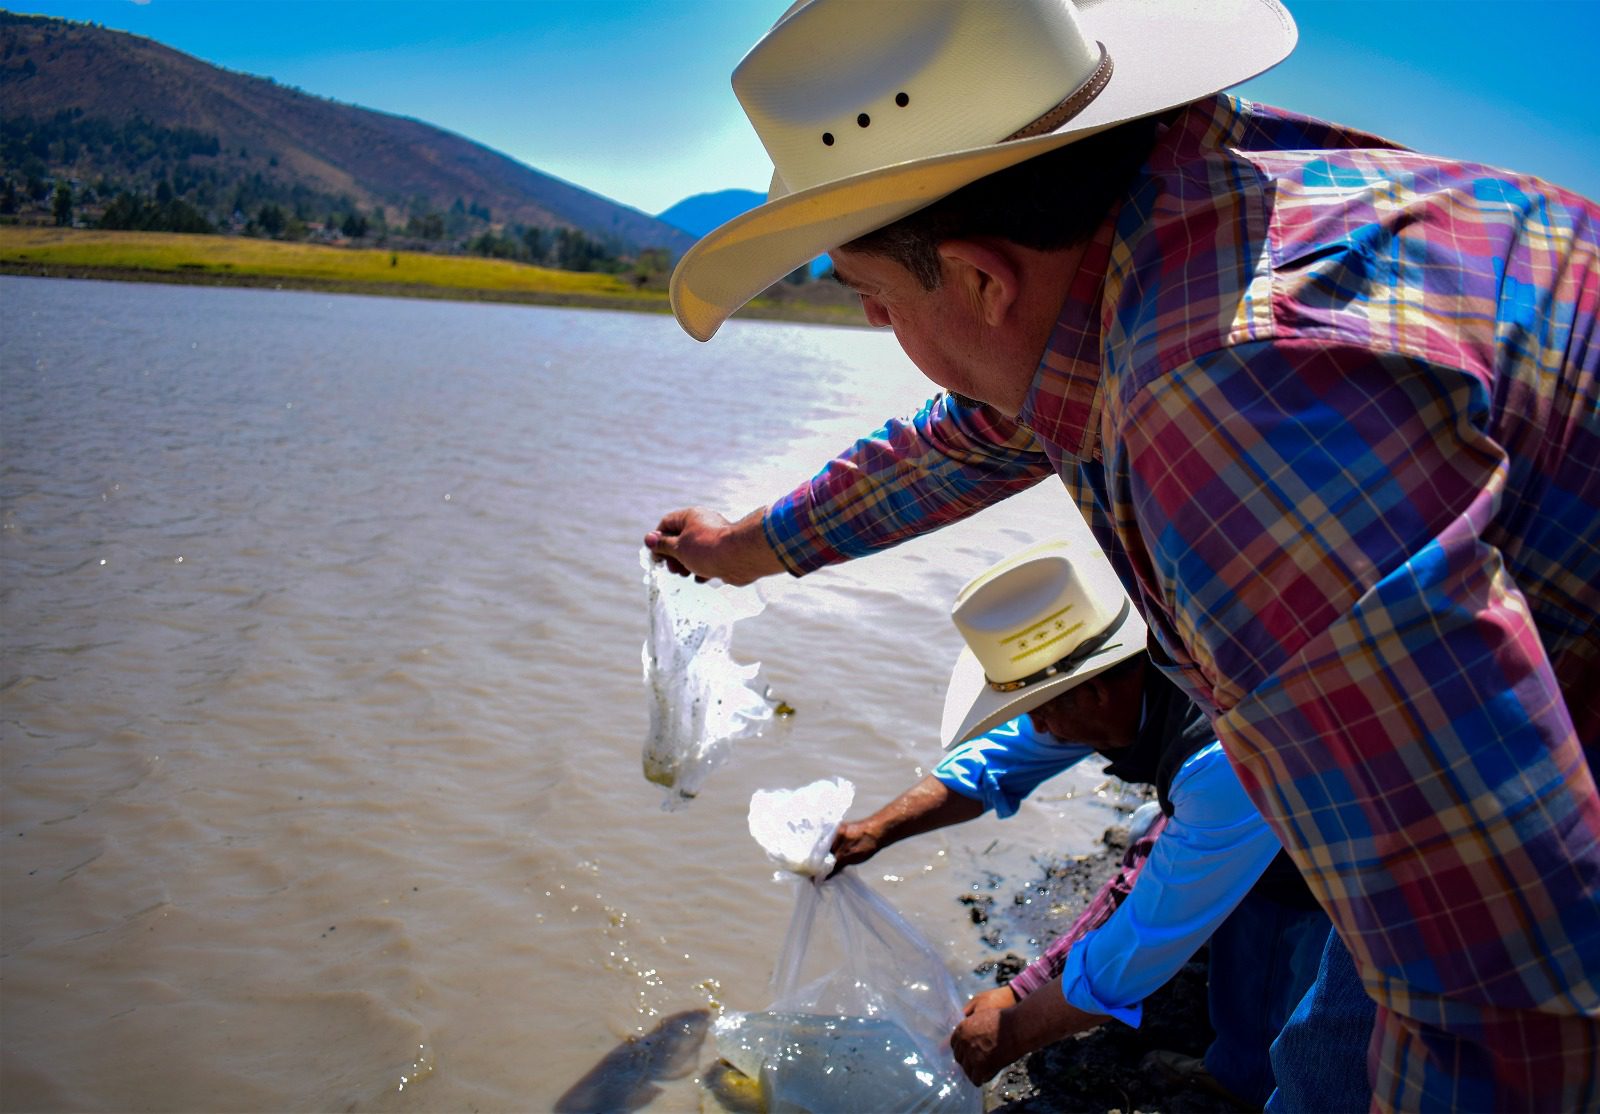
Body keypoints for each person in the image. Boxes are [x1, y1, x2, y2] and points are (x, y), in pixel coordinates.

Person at [645, 1, 1600, 1108]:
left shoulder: (1233, 410)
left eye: (871, 296)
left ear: (980, 280)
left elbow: (1496, 978)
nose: (873, 327)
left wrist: (1037, 1000)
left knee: (1367, 1043)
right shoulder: (1170, 209)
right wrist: (748, 549)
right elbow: (966, 436)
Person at [829, 539, 1342, 1106]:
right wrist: (877, 829)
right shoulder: (1143, 672)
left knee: (1329, 1026)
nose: (1040, 728)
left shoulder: (1215, 759)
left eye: (1042, 709)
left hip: (1376, 849)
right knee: (1250, 899)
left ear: (1094, 691)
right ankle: (1240, 1070)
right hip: (1271, 822)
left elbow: (1146, 939)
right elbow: (1001, 758)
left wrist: (1014, 1028)